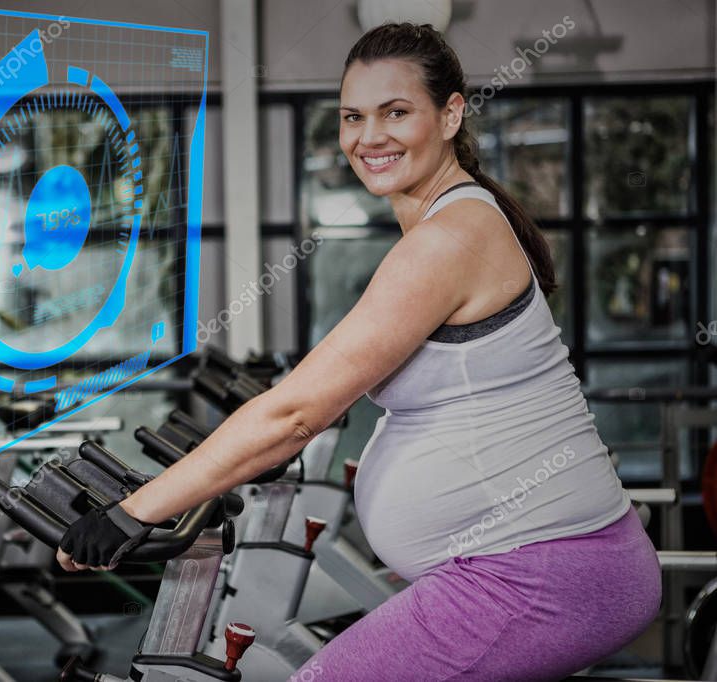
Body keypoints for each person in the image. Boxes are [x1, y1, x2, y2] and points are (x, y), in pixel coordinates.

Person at [57, 22, 661, 681]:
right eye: (352, 117)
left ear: (451, 113)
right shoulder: (448, 224)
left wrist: (134, 511)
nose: (368, 137)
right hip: (529, 564)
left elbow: (294, 416)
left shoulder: (448, 239)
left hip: (535, 573)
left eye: (395, 112)